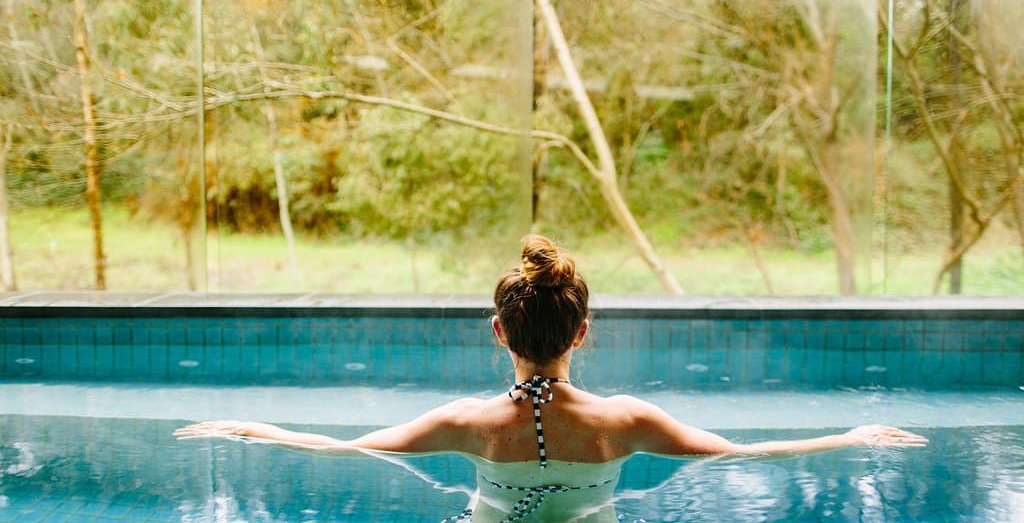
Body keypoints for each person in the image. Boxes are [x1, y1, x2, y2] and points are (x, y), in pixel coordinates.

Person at [176, 234, 927, 522]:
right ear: (583, 333)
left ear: (499, 332)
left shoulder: (467, 423)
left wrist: (249, 428)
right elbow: (743, 456)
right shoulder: (624, 423)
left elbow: (339, 449)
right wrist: (850, 434)